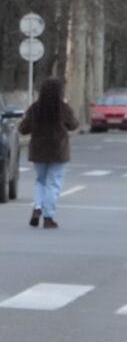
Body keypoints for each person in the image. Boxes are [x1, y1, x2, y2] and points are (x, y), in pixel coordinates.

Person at [21, 76, 75, 229]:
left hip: (38, 150)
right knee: (53, 183)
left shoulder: (35, 108)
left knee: (40, 181)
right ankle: (48, 217)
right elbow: (74, 124)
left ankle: (37, 208)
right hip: (58, 151)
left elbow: (23, 129)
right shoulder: (63, 108)